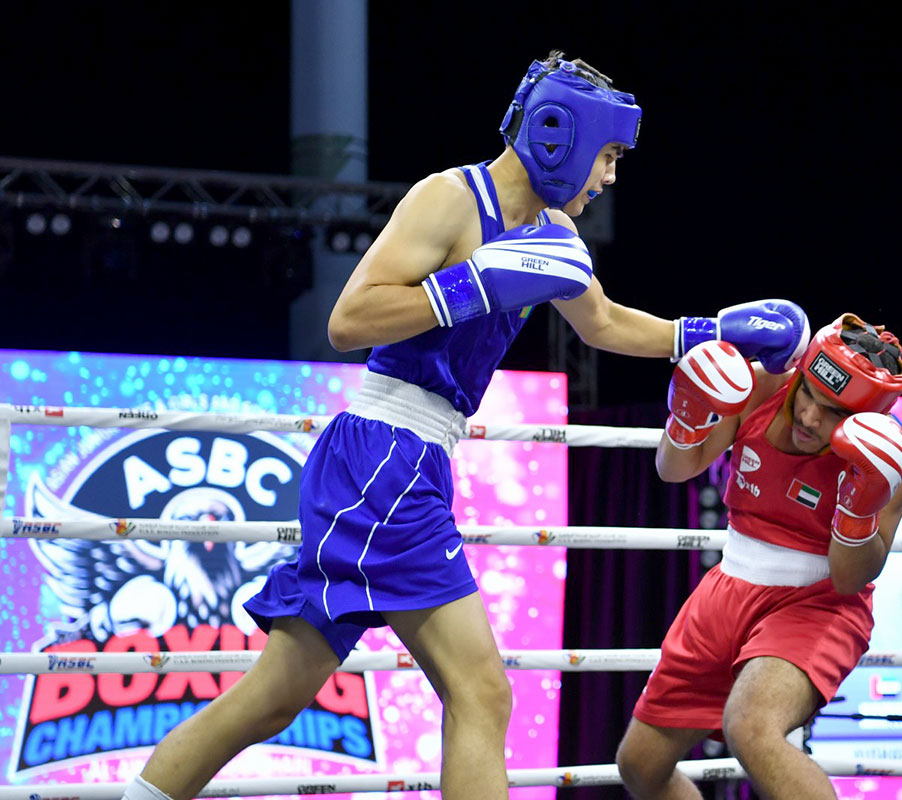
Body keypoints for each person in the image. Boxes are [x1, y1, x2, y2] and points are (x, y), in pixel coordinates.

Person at [120, 51, 809, 800]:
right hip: (383, 455)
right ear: (561, 138)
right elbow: (349, 320)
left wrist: (708, 332)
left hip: (402, 464)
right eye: (607, 156)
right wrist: (472, 286)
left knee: (275, 697)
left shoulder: (552, 235)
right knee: (482, 691)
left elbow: (603, 322)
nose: (610, 177)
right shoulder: (447, 200)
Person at [616, 312, 902, 800]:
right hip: (727, 588)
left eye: (834, 412)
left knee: (751, 728)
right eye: (808, 394)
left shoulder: (890, 460)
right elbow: (674, 470)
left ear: (869, 418)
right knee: (640, 765)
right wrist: (687, 414)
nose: (809, 417)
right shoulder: (762, 388)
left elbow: (848, 578)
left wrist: (857, 508)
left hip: (817, 602)